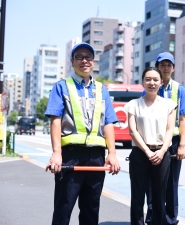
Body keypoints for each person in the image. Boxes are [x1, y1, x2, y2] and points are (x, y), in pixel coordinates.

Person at [45, 42, 120, 225]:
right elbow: (55, 120)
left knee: (91, 209)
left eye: (88, 57)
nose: (84, 61)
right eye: (79, 57)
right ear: (72, 61)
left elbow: (108, 122)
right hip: (71, 155)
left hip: (96, 156)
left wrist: (112, 154)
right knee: (64, 207)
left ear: (93, 62)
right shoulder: (61, 86)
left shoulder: (102, 90)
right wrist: (57, 153)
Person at [125, 67, 177, 225]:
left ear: (161, 82)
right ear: (142, 82)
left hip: (162, 153)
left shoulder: (169, 104)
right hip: (140, 153)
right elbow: (133, 131)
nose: (151, 83)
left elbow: (170, 130)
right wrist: (147, 151)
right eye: (148, 79)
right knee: (138, 195)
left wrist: (162, 151)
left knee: (159, 195)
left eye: (155, 79)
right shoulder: (133, 104)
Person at [145, 52, 185, 225]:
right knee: (151, 181)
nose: (165, 68)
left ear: (173, 68)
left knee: (171, 183)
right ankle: (152, 217)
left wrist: (182, 145)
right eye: (162, 65)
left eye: (168, 65)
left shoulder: (179, 89)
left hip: (174, 141)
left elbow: (183, 118)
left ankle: (170, 219)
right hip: (153, 140)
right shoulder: (149, 86)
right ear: (157, 67)